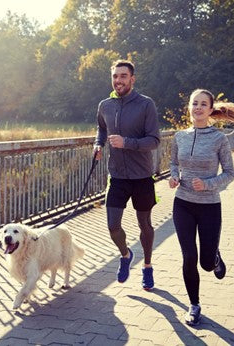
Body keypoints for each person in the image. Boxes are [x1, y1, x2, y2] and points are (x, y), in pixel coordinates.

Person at [168, 88, 234, 326]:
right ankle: (194, 305)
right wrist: (173, 177)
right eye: (194, 103)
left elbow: (230, 173)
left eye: (203, 104)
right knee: (189, 257)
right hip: (183, 204)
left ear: (211, 110)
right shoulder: (180, 136)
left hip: (209, 206)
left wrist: (208, 184)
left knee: (205, 263)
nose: (198, 107)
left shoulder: (219, 139)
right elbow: (172, 163)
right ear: (189, 108)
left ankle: (215, 258)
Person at [93, 59, 161, 291]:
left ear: (132, 79)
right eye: (115, 76)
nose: (118, 80)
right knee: (113, 226)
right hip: (118, 176)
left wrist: (126, 143)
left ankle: (148, 266)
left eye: (123, 76)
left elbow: (154, 140)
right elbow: (102, 128)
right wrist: (99, 144)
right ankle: (126, 254)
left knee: (145, 225)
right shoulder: (105, 105)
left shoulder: (145, 105)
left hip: (142, 177)